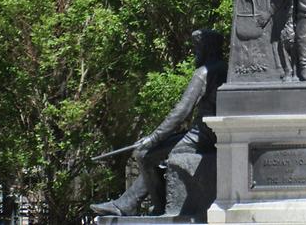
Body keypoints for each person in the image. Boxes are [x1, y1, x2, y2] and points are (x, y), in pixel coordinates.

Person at [90, 29, 227, 217]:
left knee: (144, 154)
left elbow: (181, 112)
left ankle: (155, 206)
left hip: (202, 135)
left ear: (206, 49)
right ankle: (127, 204)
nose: (196, 54)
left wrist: (153, 138)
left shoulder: (204, 73)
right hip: (215, 133)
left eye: (197, 49)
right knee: (148, 153)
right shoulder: (225, 69)